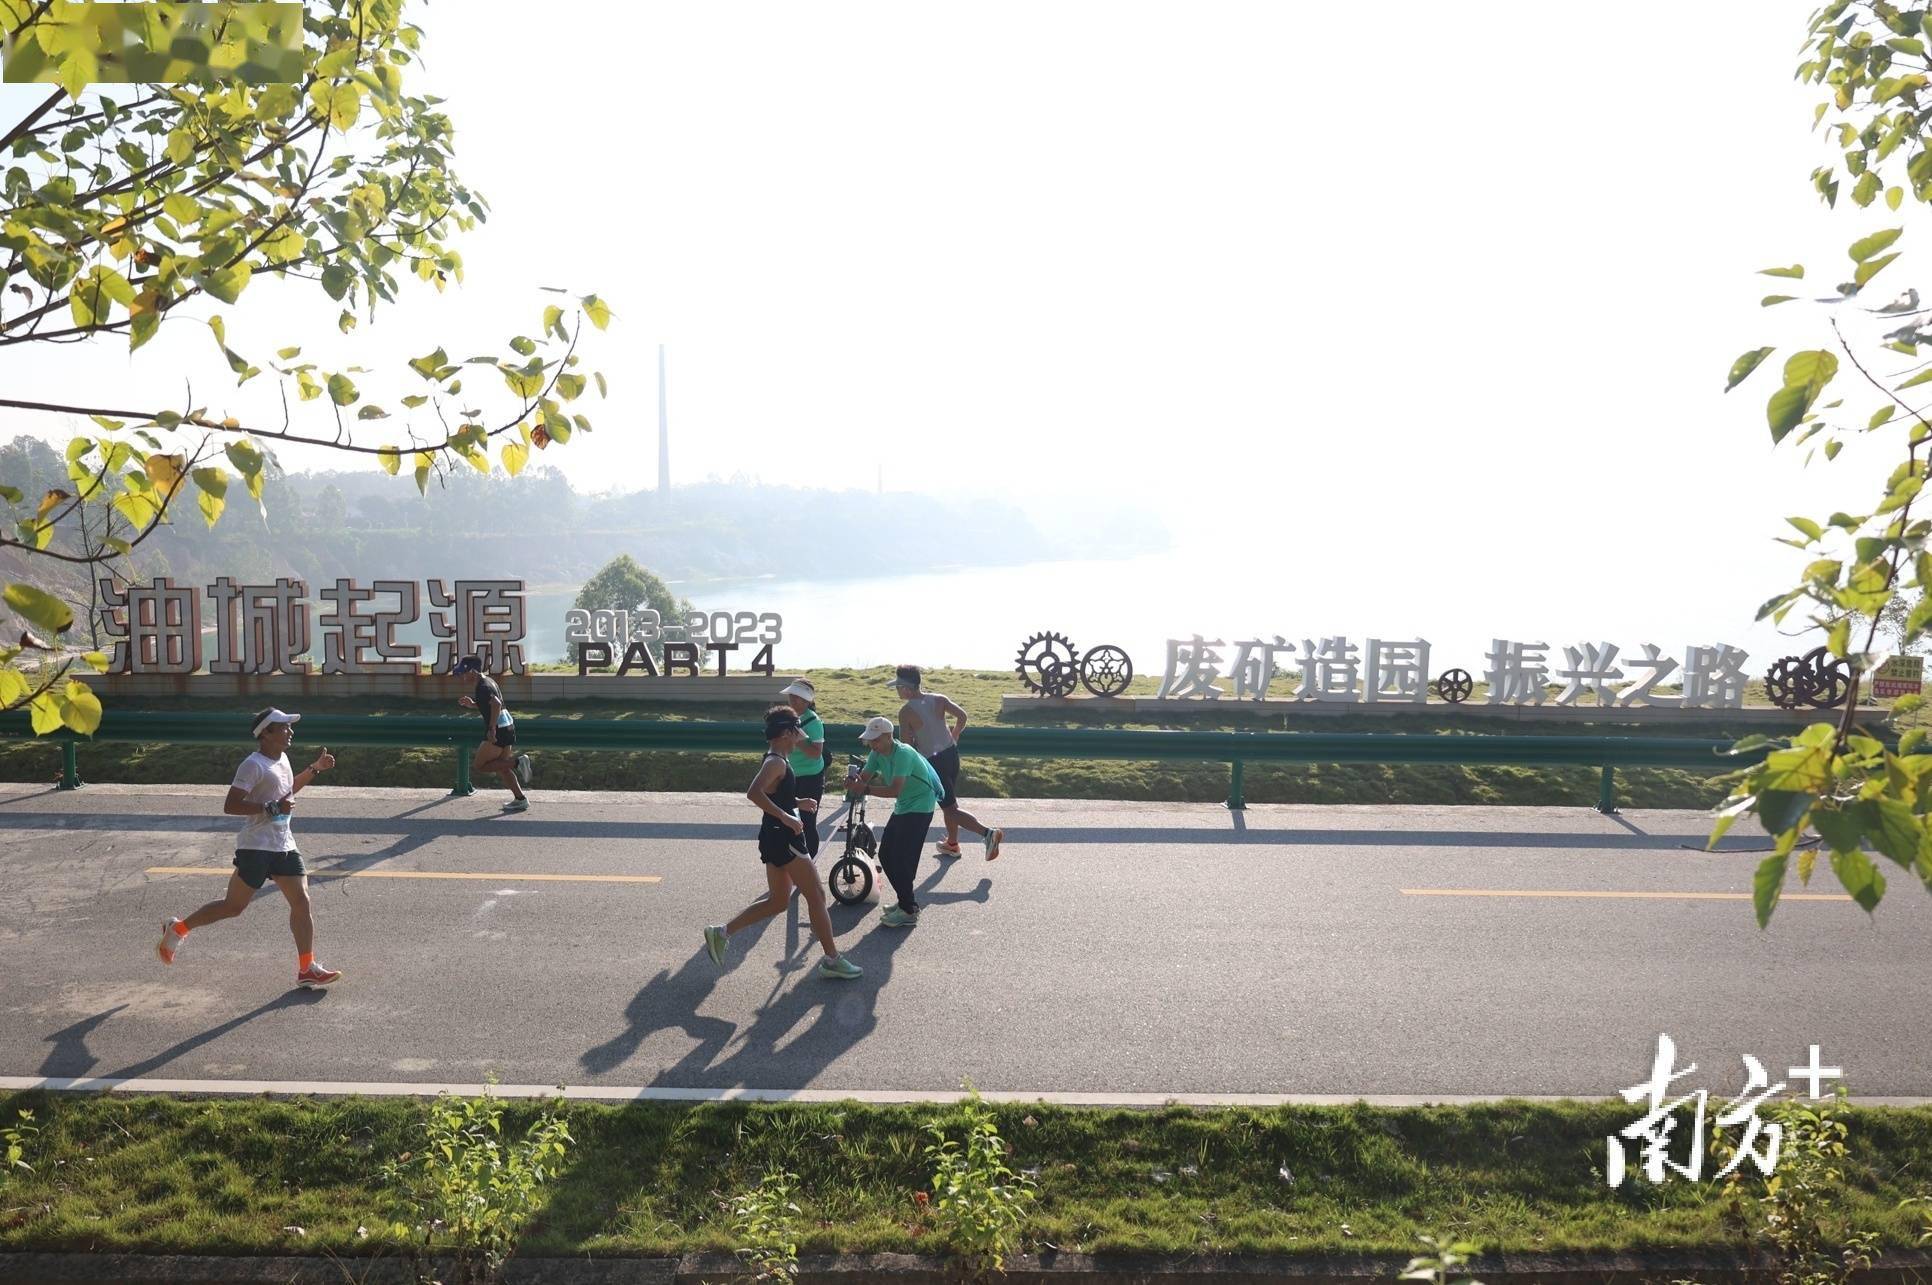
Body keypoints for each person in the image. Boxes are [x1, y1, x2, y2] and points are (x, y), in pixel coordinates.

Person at [155, 708, 342, 989]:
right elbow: (231, 805)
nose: (290, 731)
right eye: (284, 727)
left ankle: (307, 968)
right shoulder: (252, 765)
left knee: (302, 901)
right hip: (256, 846)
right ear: (266, 733)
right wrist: (272, 808)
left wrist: (314, 769)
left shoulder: (283, 759)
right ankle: (178, 928)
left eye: (289, 727)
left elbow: (287, 791)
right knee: (233, 907)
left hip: (283, 844)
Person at [703, 706, 862, 979]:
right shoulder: (775, 762)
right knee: (817, 895)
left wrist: (797, 803)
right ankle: (832, 959)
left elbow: (775, 794)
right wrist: (787, 816)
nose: (800, 734)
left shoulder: (778, 759)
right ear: (786, 733)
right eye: (797, 729)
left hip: (774, 836)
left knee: (778, 902)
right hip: (785, 838)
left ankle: (721, 932)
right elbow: (754, 793)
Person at [893, 664, 1003, 860]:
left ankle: (988, 834)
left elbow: (906, 747)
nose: (896, 690)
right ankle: (952, 844)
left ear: (906, 688)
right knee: (949, 802)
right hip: (951, 754)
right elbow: (962, 716)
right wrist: (955, 735)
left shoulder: (906, 712)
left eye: (898, 687)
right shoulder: (939, 699)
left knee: (950, 809)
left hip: (934, 762)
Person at [853, 714, 947, 927]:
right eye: (870, 740)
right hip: (904, 806)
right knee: (886, 855)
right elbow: (864, 777)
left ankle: (909, 909)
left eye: (876, 740)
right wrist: (853, 780)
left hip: (921, 806)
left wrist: (865, 789)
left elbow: (895, 789)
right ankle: (905, 901)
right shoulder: (876, 753)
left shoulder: (903, 753)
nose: (872, 744)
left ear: (889, 736)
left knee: (902, 859)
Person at [453, 654, 531, 812]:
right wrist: (473, 704)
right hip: (508, 726)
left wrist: (491, 728)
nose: (462, 676)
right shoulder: (488, 680)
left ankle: (518, 762)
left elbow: (496, 704)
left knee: (480, 765)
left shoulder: (482, 686)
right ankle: (520, 799)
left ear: (473, 671)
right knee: (502, 767)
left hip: (499, 729)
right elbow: (490, 703)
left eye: (464, 672)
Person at [779, 679, 826, 858]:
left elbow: (816, 753)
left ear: (807, 701)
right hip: (790, 773)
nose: (792, 699)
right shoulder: (787, 716)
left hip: (811, 777)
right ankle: (792, 859)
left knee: (807, 821)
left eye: (796, 696)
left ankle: (809, 861)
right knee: (789, 817)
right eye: (791, 695)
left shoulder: (814, 722)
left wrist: (797, 739)